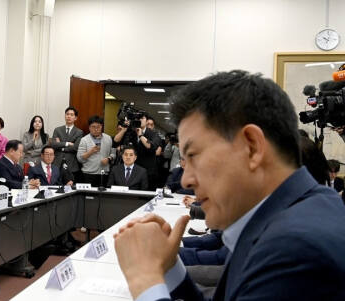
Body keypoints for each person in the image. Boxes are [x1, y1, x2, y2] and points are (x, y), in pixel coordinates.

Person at [113, 70, 345, 301]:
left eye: (194, 155)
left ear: (252, 147)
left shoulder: (296, 247)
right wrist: (169, 265)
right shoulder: (297, 210)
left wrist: (144, 279)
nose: (186, 180)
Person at [115, 113, 160, 189]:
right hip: (133, 170)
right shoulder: (131, 132)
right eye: (137, 118)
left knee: (146, 195)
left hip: (148, 171)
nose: (140, 120)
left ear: (146, 121)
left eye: (142, 118)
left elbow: (151, 146)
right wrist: (124, 129)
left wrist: (140, 135)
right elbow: (116, 140)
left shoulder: (153, 134)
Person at [77, 115, 115, 187]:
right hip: (88, 174)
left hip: (104, 174)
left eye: (98, 126)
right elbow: (80, 159)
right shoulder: (84, 140)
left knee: (103, 197)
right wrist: (91, 152)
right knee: (89, 197)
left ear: (102, 126)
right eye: (93, 127)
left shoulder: (108, 138)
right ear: (89, 128)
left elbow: (113, 154)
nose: (96, 129)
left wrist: (109, 159)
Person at [51, 107, 84, 182]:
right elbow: (53, 144)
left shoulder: (79, 132)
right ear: (65, 116)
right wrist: (67, 143)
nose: (69, 116)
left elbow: (75, 147)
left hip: (71, 164)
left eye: (71, 115)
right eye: (67, 114)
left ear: (75, 118)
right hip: (57, 163)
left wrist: (60, 145)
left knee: (70, 187)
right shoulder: (57, 130)